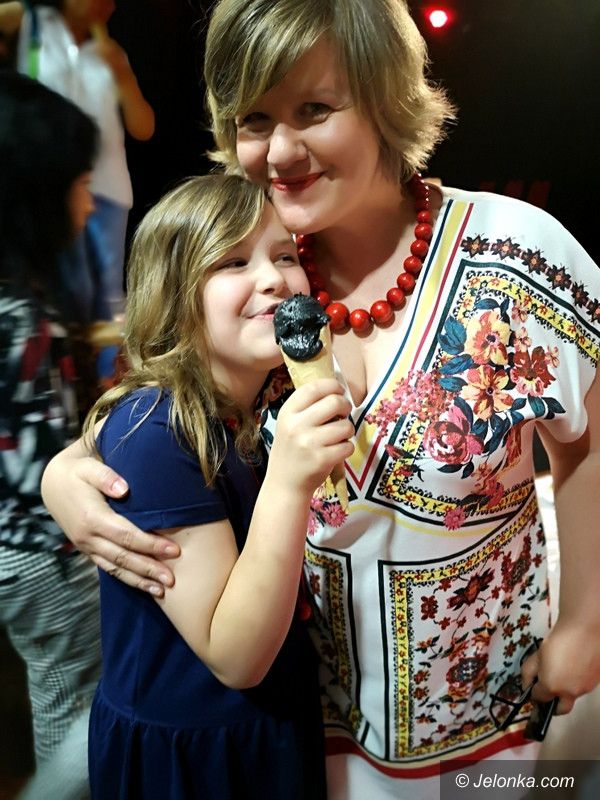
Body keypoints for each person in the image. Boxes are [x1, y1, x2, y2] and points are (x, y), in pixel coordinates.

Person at [41, 1, 600, 797]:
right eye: (255, 118)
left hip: (484, 719)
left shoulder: (515, 254)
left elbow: (589, 440)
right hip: (293, 736)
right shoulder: (255, 269)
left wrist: (585, 622)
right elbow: (169, 403)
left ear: (383, 99)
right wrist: (69, 472)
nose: (280, 151)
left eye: (313, 109)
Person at [79, 173, 353, 799]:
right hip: (195, 760)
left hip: (269, 729)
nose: (274, 279)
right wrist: (289, 482)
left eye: (285, 255)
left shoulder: (259, 408)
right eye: (233, 262)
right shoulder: (155, 432)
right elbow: (235, 656)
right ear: (174, 293)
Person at [0, 71, 101, 797]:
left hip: (21, 558)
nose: (90, 203)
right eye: (81, 184)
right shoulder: (21, 318)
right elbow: (41, 472)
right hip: (46, 559)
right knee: (85, 714)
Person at [0, 0, 155, 397]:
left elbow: (144, 127)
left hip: (109, 187)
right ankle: (65, 381)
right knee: (69, 291)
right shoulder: (28, 22)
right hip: (49, 190)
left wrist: (123, 76)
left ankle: (100, 388)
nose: (107, 3)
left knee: (108, 299)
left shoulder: (111, 50)